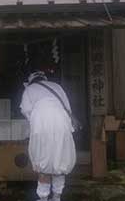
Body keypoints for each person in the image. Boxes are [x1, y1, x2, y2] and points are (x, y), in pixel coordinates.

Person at [20, 71, 76, 201]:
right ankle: (57, 197)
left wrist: (33, 121)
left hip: (41, 123)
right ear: (45, 79)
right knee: (60, 160)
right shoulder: (57, 87)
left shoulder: (30, 89)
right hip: (62, 122)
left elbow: (25, 110)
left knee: (43, 161)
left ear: (31, 81)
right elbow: (68, 108)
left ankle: (43, 197)